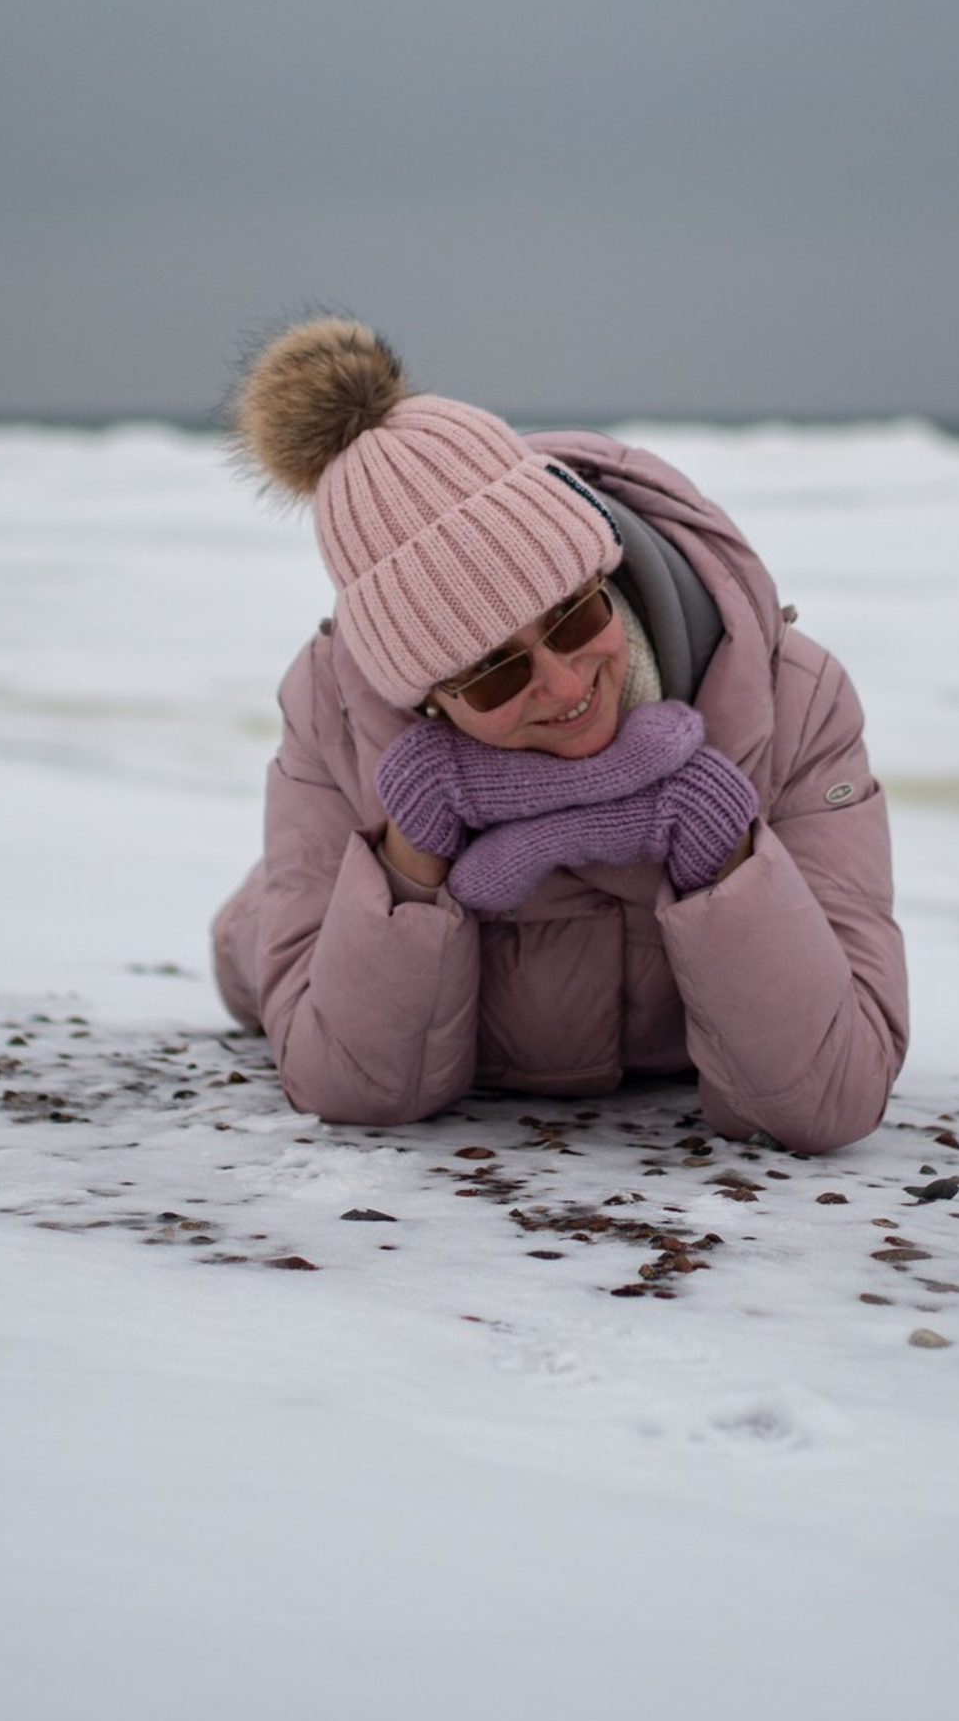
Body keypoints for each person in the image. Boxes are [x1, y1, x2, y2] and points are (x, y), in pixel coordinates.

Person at [210, 316, 907, 1154]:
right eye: (494, 672)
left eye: (575, 616)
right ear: (425, 693)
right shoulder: (335, 717)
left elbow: (829, 1095)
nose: (566, 684)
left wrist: (711, 832)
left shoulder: (793, 701)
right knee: (249, 946)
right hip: (283, 929)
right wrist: (413, 846)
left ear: (605, 574)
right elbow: (352, 1083)